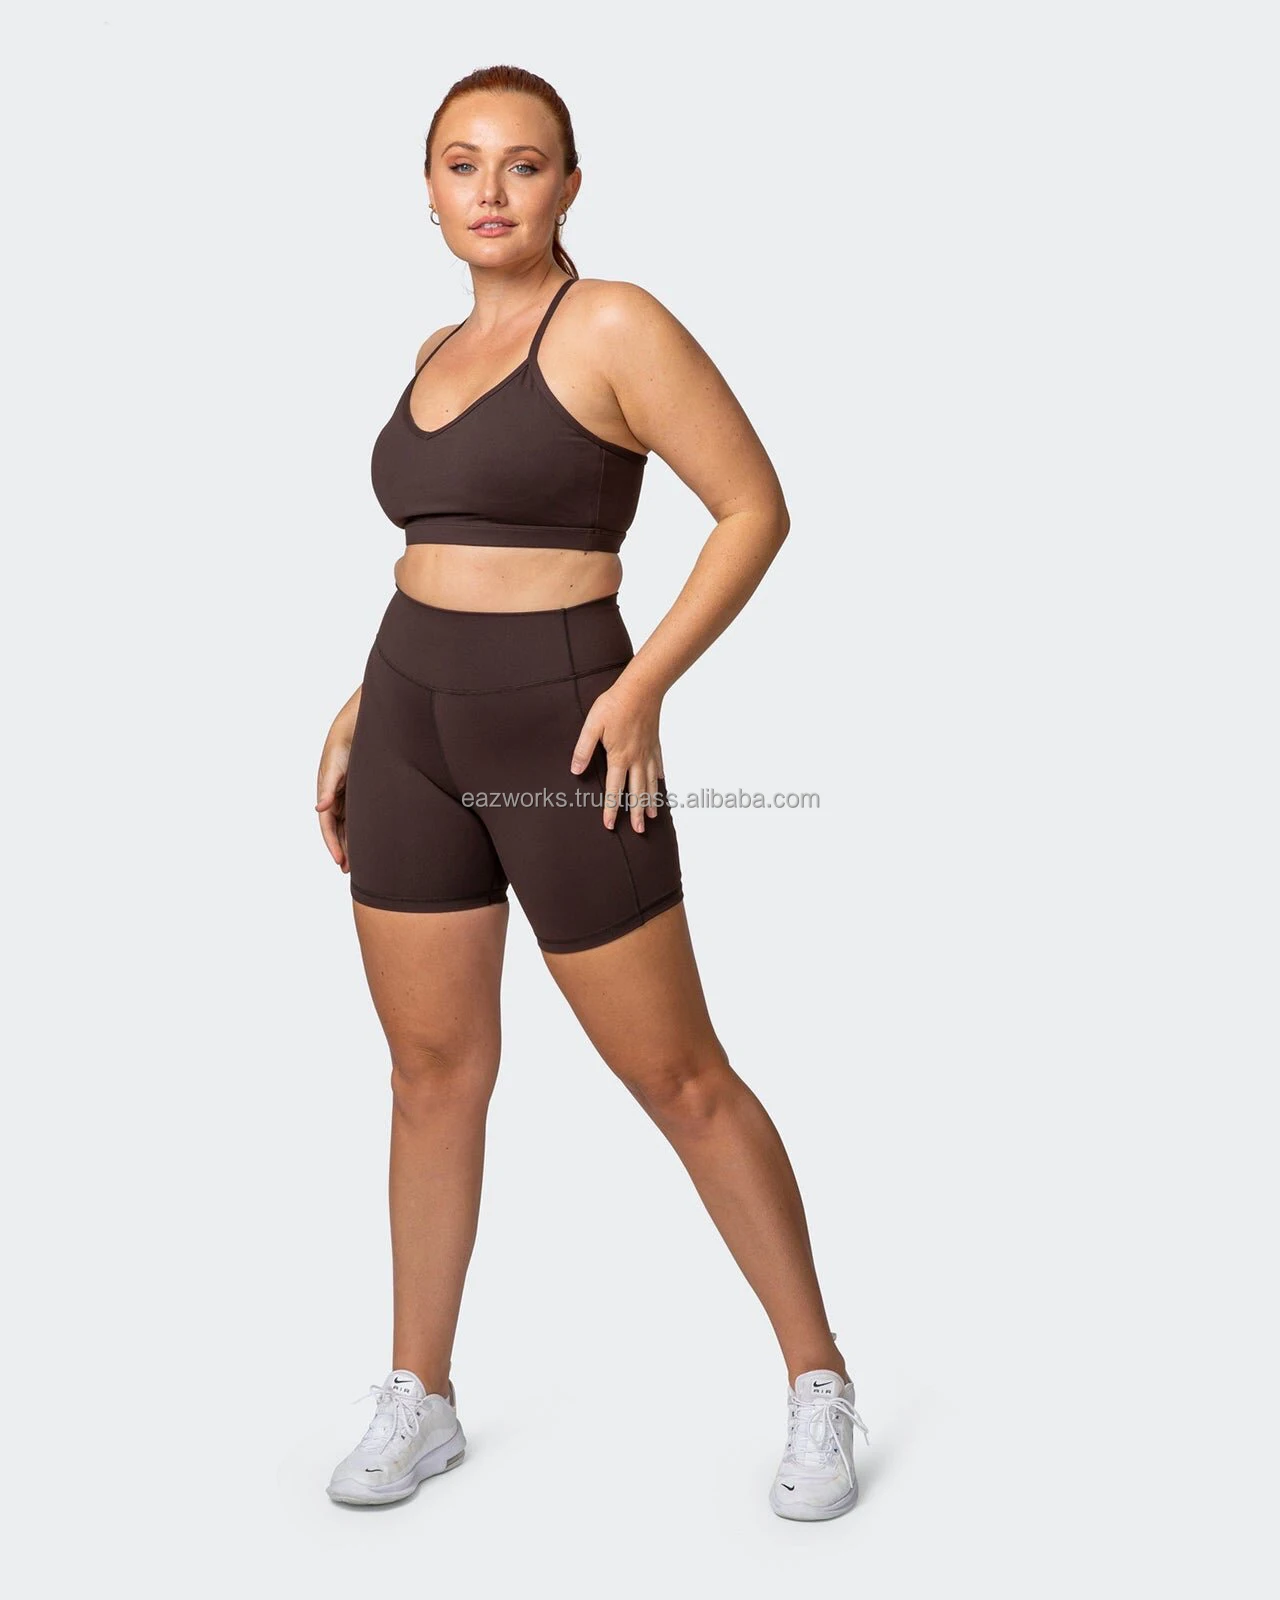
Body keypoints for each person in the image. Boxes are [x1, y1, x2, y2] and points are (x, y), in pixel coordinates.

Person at [315, 64, 868, 1522]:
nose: (491, 190)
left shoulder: (612, 321)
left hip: (566, 732)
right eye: (462, 163)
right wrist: (366, 704)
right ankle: (421, 1394)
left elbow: (753, 508)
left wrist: (643, 687)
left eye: (524, 163)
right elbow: (440, 549)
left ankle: (817, 1375)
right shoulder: (436, 346)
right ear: (428, 188)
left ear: (570, 184)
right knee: (430, 1074)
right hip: (411, 724)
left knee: (677, 1075)